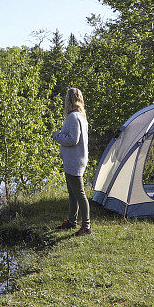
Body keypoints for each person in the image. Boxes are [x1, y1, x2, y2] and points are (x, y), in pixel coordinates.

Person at [52, 87, 90, 236]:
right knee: (72, 193)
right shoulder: (80, 116)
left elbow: (73, 140)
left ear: (69, 100)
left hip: (75, 161)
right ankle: (72, 222)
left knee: (79, 193)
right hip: (73, 160)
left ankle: (86, 227)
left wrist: (57, 136)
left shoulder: (74, 117)